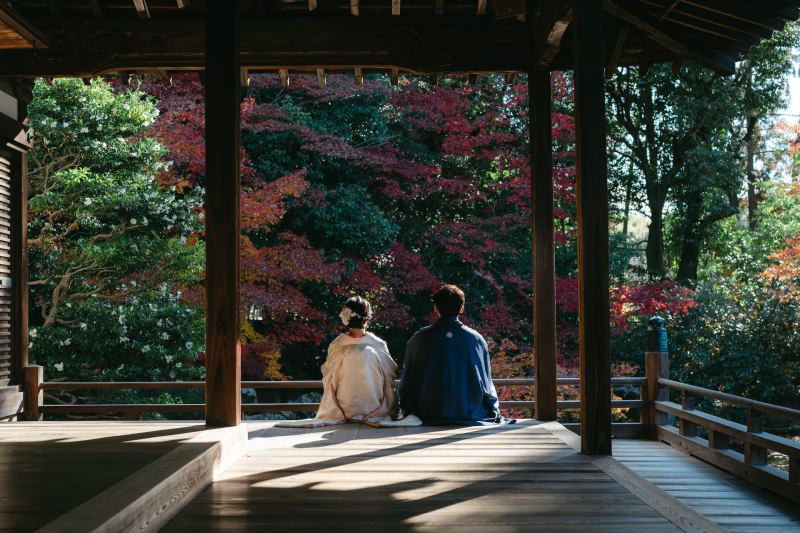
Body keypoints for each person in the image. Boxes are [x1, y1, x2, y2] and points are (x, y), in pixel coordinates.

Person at [276, 296, 420, 428]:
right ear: (367, 318)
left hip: (341, 410)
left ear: (346, 317)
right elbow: (389, 376)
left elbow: (328, 377)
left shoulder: (337, 345)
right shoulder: (378, 345)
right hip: (375, 411)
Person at [398, 284, 511, 425]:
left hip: (427, 414)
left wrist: (405, 410)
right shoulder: (476, 340)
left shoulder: (419, 339)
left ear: (435, 308)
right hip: (471, 414)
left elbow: (408, 385)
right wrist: (494, 412)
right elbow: (486, 385)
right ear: (462, 308)